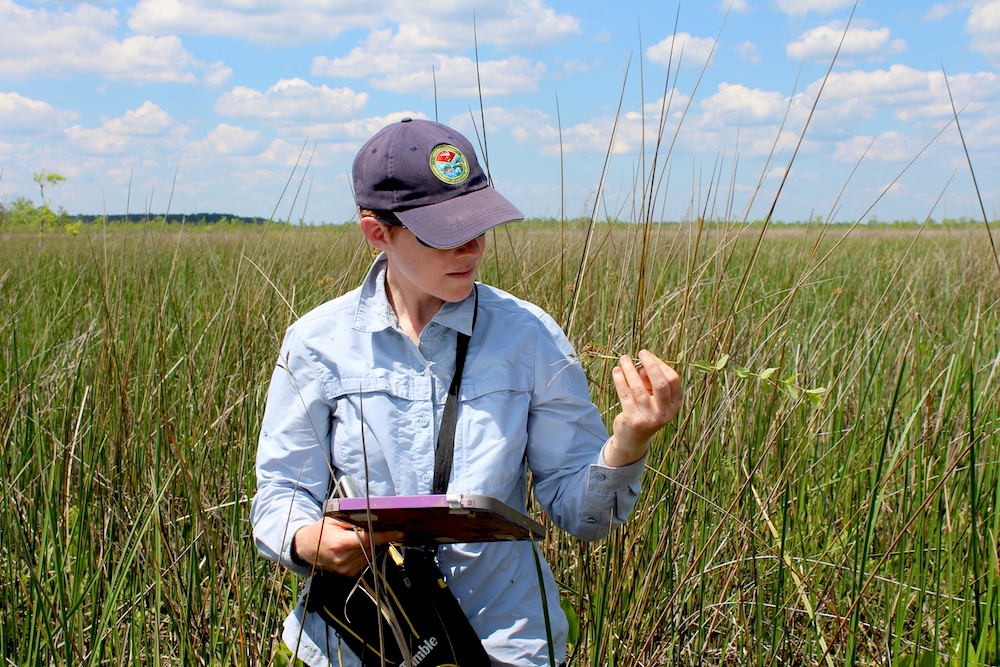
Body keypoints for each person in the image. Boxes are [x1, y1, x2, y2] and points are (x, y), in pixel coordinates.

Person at [250, 117, 682, 666]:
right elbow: (281, 491)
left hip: (506, 642)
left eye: (479, 223)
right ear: (377, 233)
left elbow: (584, 515)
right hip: (358, 641)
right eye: (443, 232)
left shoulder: (530, 335)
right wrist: (307, 541)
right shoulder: (316, 343)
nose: (472, 247)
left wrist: (629, 442)